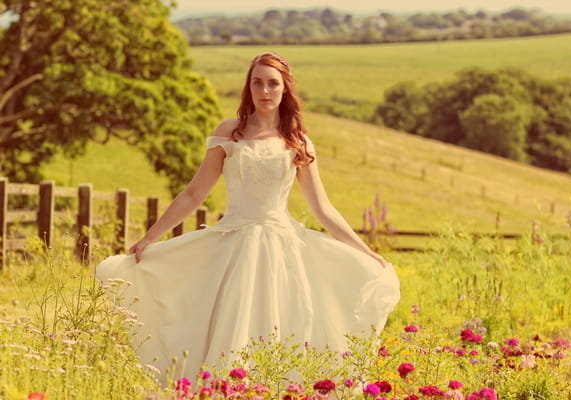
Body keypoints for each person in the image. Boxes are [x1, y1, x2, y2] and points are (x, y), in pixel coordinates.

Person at [96, 51, 400, 383]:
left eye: (273, 83)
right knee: (226, 325)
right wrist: (150, 237)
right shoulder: (230, 132)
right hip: (231, 246)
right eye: (258, 83)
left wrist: (365, 252)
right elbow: (194, 194)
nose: (265, 91)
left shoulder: (297, 142)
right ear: (249, 87)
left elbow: (322, 208)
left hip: (283, 249)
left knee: (284, 327)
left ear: (285, 89)